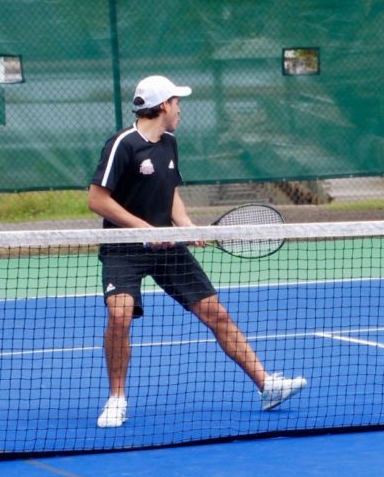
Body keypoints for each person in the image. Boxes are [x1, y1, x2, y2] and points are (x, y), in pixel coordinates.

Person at [89, 75, 307, 428]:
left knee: (216, 313)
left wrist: (187, 226)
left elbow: (170, 192)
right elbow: (97, 200)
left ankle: (267, 385)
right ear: (162, 106)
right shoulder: (123, 144)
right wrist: (145, 230)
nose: (181, 109)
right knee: (120, 316)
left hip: (167, 248)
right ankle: (116, 399)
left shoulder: (169, 143)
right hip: (124, 248)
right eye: (177, 102)